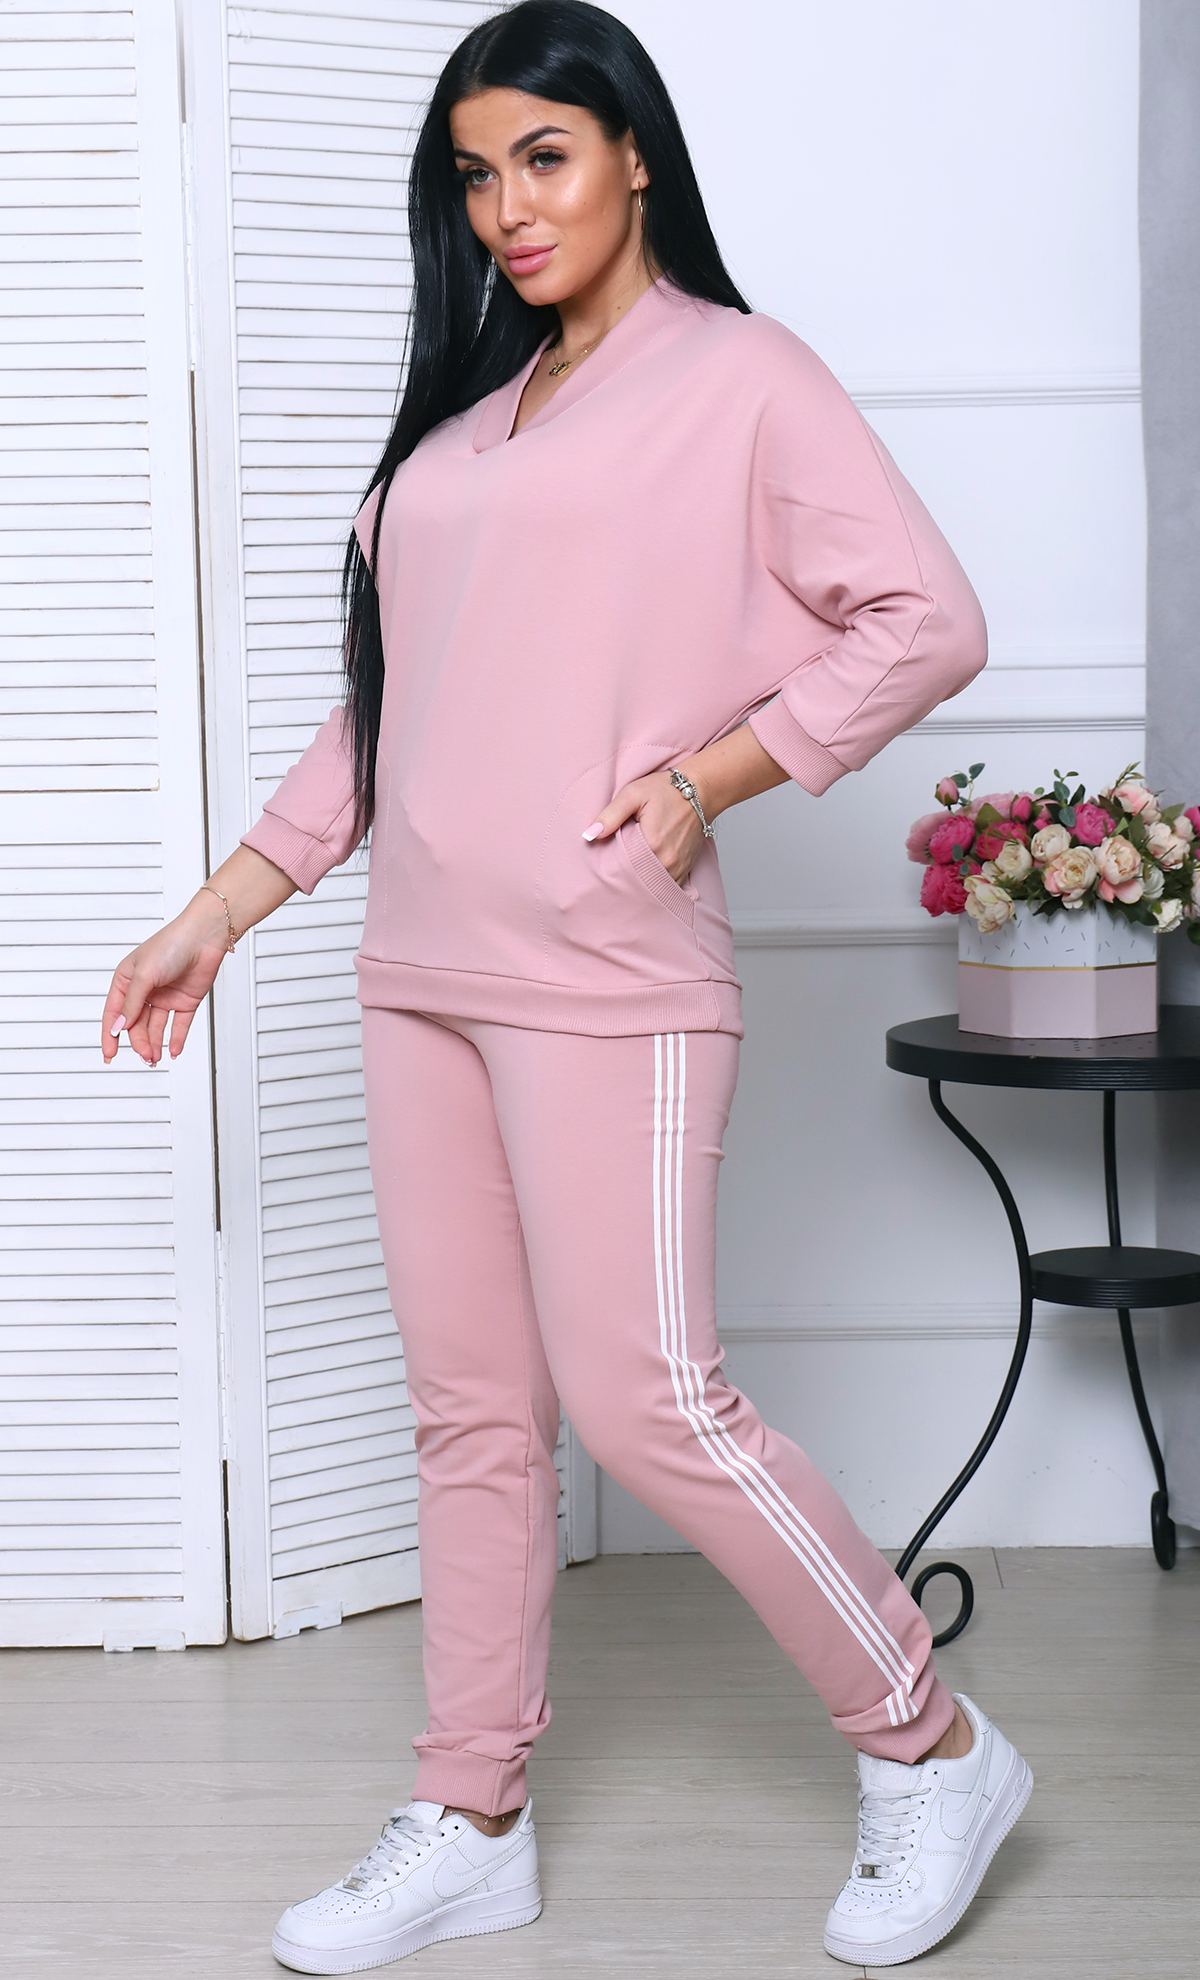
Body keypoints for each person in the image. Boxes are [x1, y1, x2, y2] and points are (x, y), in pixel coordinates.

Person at [101, 2, 1031, 1968]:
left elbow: (925, 616)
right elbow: (389, 714)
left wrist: (714, 775)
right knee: (472, 1415)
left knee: (649, 1398)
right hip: (419, 974)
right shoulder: (465, 423)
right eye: (475, 174)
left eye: (542, 155)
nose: (508, 207)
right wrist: (222, 906)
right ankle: (472, 1812)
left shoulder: (745, 379)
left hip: (610, 971)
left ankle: (931, 1747)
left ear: (632, 156)